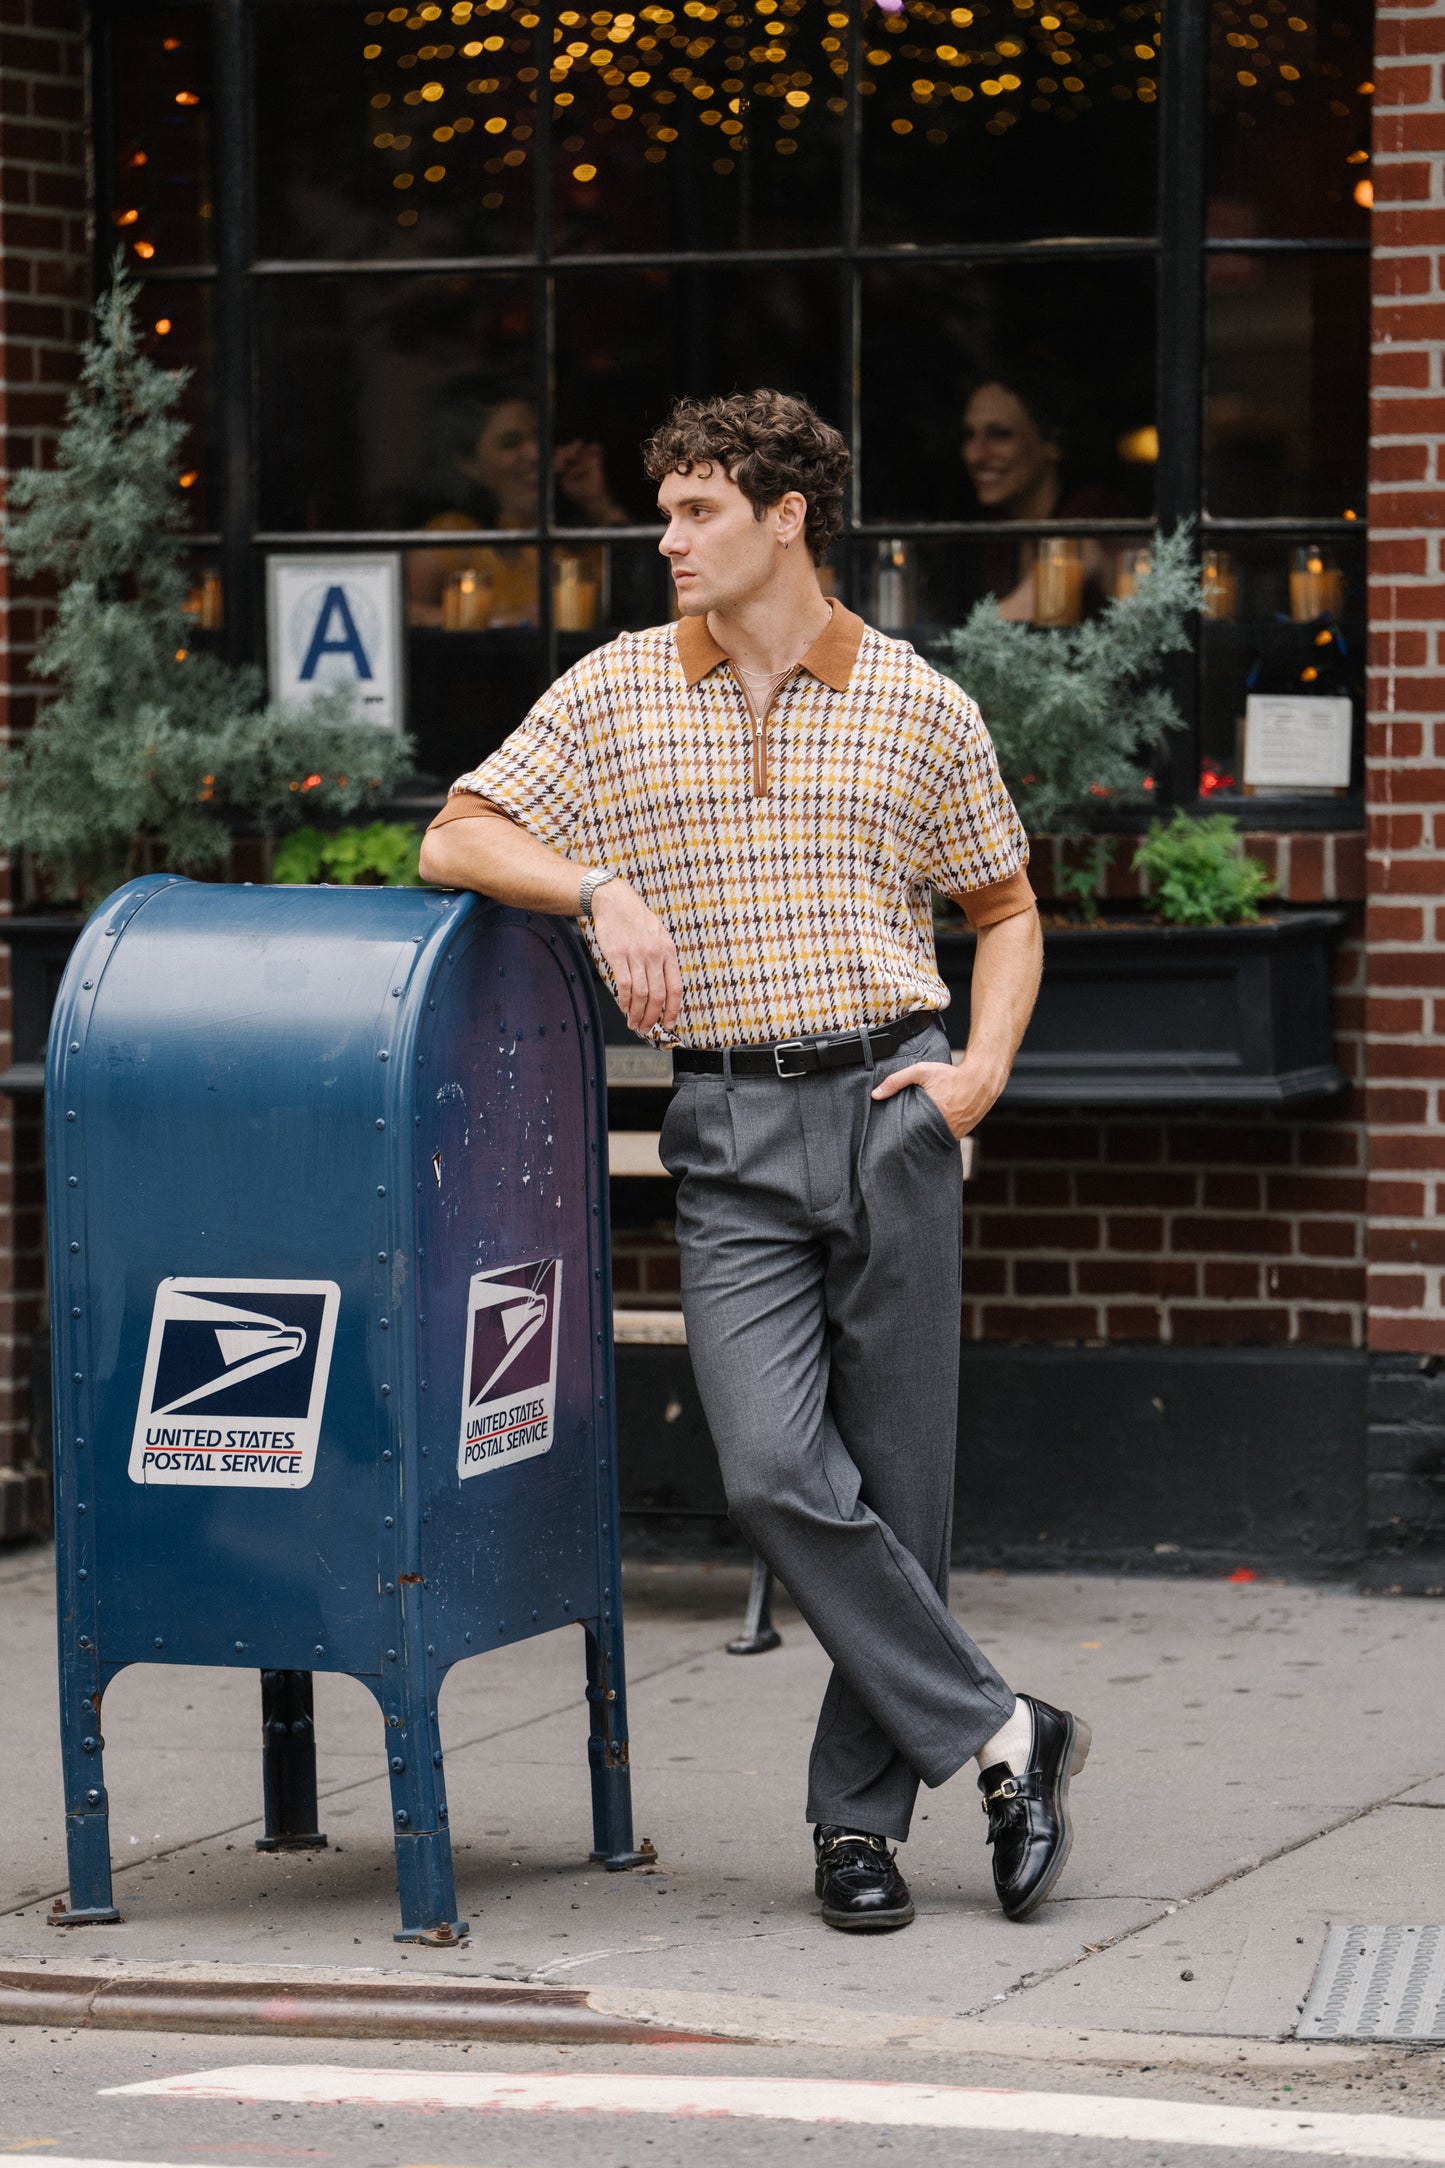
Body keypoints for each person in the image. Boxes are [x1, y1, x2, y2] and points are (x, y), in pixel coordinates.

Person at [419, 388, 1090, 1935]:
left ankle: (855, 1832)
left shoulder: (919, 703)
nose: (668, 537)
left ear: (787, 517)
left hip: (892, 1112)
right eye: (665, 509)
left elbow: (1004, 909)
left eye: (698, 508)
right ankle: (1002, 1732)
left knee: (900, 1498)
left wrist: (977, 1073)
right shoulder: (615, 694)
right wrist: (594, 887)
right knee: (778, 1471)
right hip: (724, 1126)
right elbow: (455, 836)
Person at [407, 387, 629, 627]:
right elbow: (400, 611)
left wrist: (596, 504)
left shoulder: (581, 532)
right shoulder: (455, 537)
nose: (535, 453)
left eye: (539, 437)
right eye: (511, 444)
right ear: (469, 462)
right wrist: (507, 622)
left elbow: (645, 598)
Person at [961, 373, 1127, 620]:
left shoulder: (1094, 510)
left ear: (1052, 444)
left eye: (1000, 435)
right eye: (969, 435)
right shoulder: (996, 534)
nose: (976, 455)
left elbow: (996, 631)